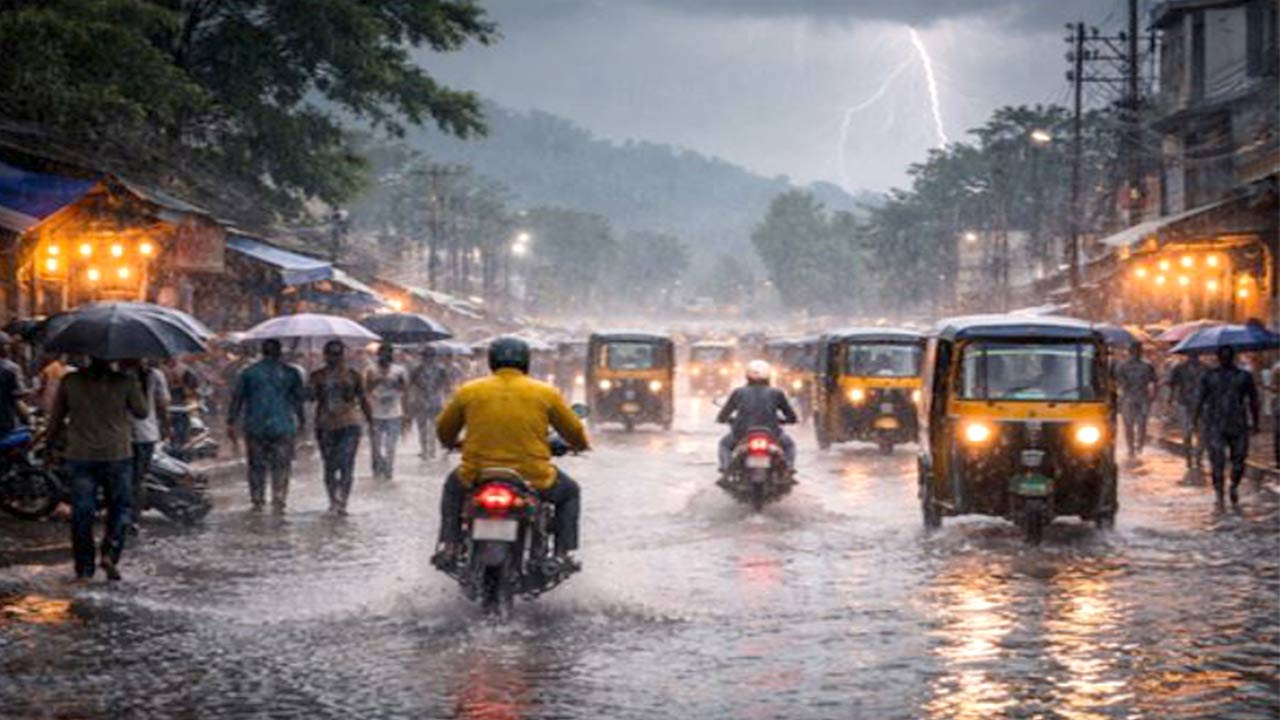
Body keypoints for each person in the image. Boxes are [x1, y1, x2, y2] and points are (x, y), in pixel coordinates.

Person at [432, 337, 589, 569]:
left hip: (476, 474)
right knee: (570, 493)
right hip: (533, 475)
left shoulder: (470, 390)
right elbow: (574, 429)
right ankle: (562, 554)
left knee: (452, 490)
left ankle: (451, 546)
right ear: (526, 361)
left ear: (491, 361)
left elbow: (444, 428)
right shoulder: (545, 392)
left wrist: (452, 442)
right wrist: (580, 444)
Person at [47, 357, 148, 581]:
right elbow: (142, 412)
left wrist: (48, 445)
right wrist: (139, 381)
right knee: (120, 507)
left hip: (80, 455)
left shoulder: (70, 381)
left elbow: (56, 417)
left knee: (82, 512)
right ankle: (110, 554)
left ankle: (84, 569)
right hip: (118, 455)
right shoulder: (125, 381)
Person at [228, 339, 306, 513]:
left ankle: (257, 500)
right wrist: (302, 422)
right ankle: (279, 498)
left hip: (256, 426)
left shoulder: (248, 373)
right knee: (282, 464)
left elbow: (237, 399)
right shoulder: (291, 373)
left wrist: (231, 422)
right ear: (280, 353)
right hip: (283, 426)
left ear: (262, 352)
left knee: (256, 465)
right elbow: (299, 400)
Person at [308, 340, 372, 515]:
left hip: (349, 425)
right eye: (330, 355)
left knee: (346, 464)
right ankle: (333, 500)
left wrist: (370, 421)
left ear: (342, 356)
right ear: (325, 356)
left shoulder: (353, 375)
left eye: (337, 355)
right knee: (329, 465)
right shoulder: (317, 376)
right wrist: (310, 385)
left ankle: (342, 501)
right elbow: (310, 398)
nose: (333, 359)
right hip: (325, 425)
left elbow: (363, 399)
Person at [1194, 345, 1261, 508]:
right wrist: (1195, 421)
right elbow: (1200, 399)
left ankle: (1231, 488)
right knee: (1220, 461)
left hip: (1234, 425)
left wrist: (1256, 422)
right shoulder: (1210, 376)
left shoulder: (1244, 376)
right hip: (1218, 425)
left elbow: (1253, 400)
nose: (1225, 359)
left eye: (1227, 356)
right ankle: (1220, 493)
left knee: (1236, 461)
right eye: (1223, 356)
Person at [716, 359, 798, 478]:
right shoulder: (777, 393)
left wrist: (725, 419)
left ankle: (726, 468)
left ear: (747, 376)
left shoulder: (738, 392)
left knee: (724, 445)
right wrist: (786, 420)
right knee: (789, 445)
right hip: (772, 433)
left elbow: (724, 414)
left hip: (742, 432)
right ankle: (789, 468)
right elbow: (791, 416)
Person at [127, 359, 170, 528]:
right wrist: (166, 425)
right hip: (147, 434)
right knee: (138, 479)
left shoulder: (119, 376)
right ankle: (133, 519)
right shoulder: (155, 375)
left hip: (123, 435)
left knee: (123, 478)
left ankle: (123, 516)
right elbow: (163, 403)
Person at [365, 343, 409, 480]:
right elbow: (366, 390)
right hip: (375, 413)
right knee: (376, 446)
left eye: (388, 354)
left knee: (391, 445)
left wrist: (407, 413)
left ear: (392, 356)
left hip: (394, 413)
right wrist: (376, 382)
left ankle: (389, 470)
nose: (384, 357)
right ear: (377, 356)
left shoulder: (400, 370)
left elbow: (405, 390)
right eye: (382, 354)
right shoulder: (371, 370)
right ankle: (378, 468)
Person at [1113, 344, 1158, 458]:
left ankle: (1134, 447)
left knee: (1134, 425)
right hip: (1136, 397)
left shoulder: (1126, 366)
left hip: (1134, 397)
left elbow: (1119, 383)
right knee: (1136, 424)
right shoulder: (1143, 366)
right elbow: (1153, 383)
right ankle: (1135, 446)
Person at [409, 346, 452, 459]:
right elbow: (446, 386)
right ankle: (430, 450)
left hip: (423, 400)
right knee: (432, 426)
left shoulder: (416, 369)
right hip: (433, 400)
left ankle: (426, 450)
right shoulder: (440, 369)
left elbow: (410, 384)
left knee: (423, 427)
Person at [1167, 352, 1207, 470]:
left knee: (1198, 434)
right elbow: (1172, 385)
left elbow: (1172, 385)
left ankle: (1195, 458)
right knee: (1191, 433)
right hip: (1187, 404)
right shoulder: (1180, 368)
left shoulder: (1205, 369)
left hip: (1196, 404)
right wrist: (1169, 400)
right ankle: (1191, 458)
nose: (1193, 357)